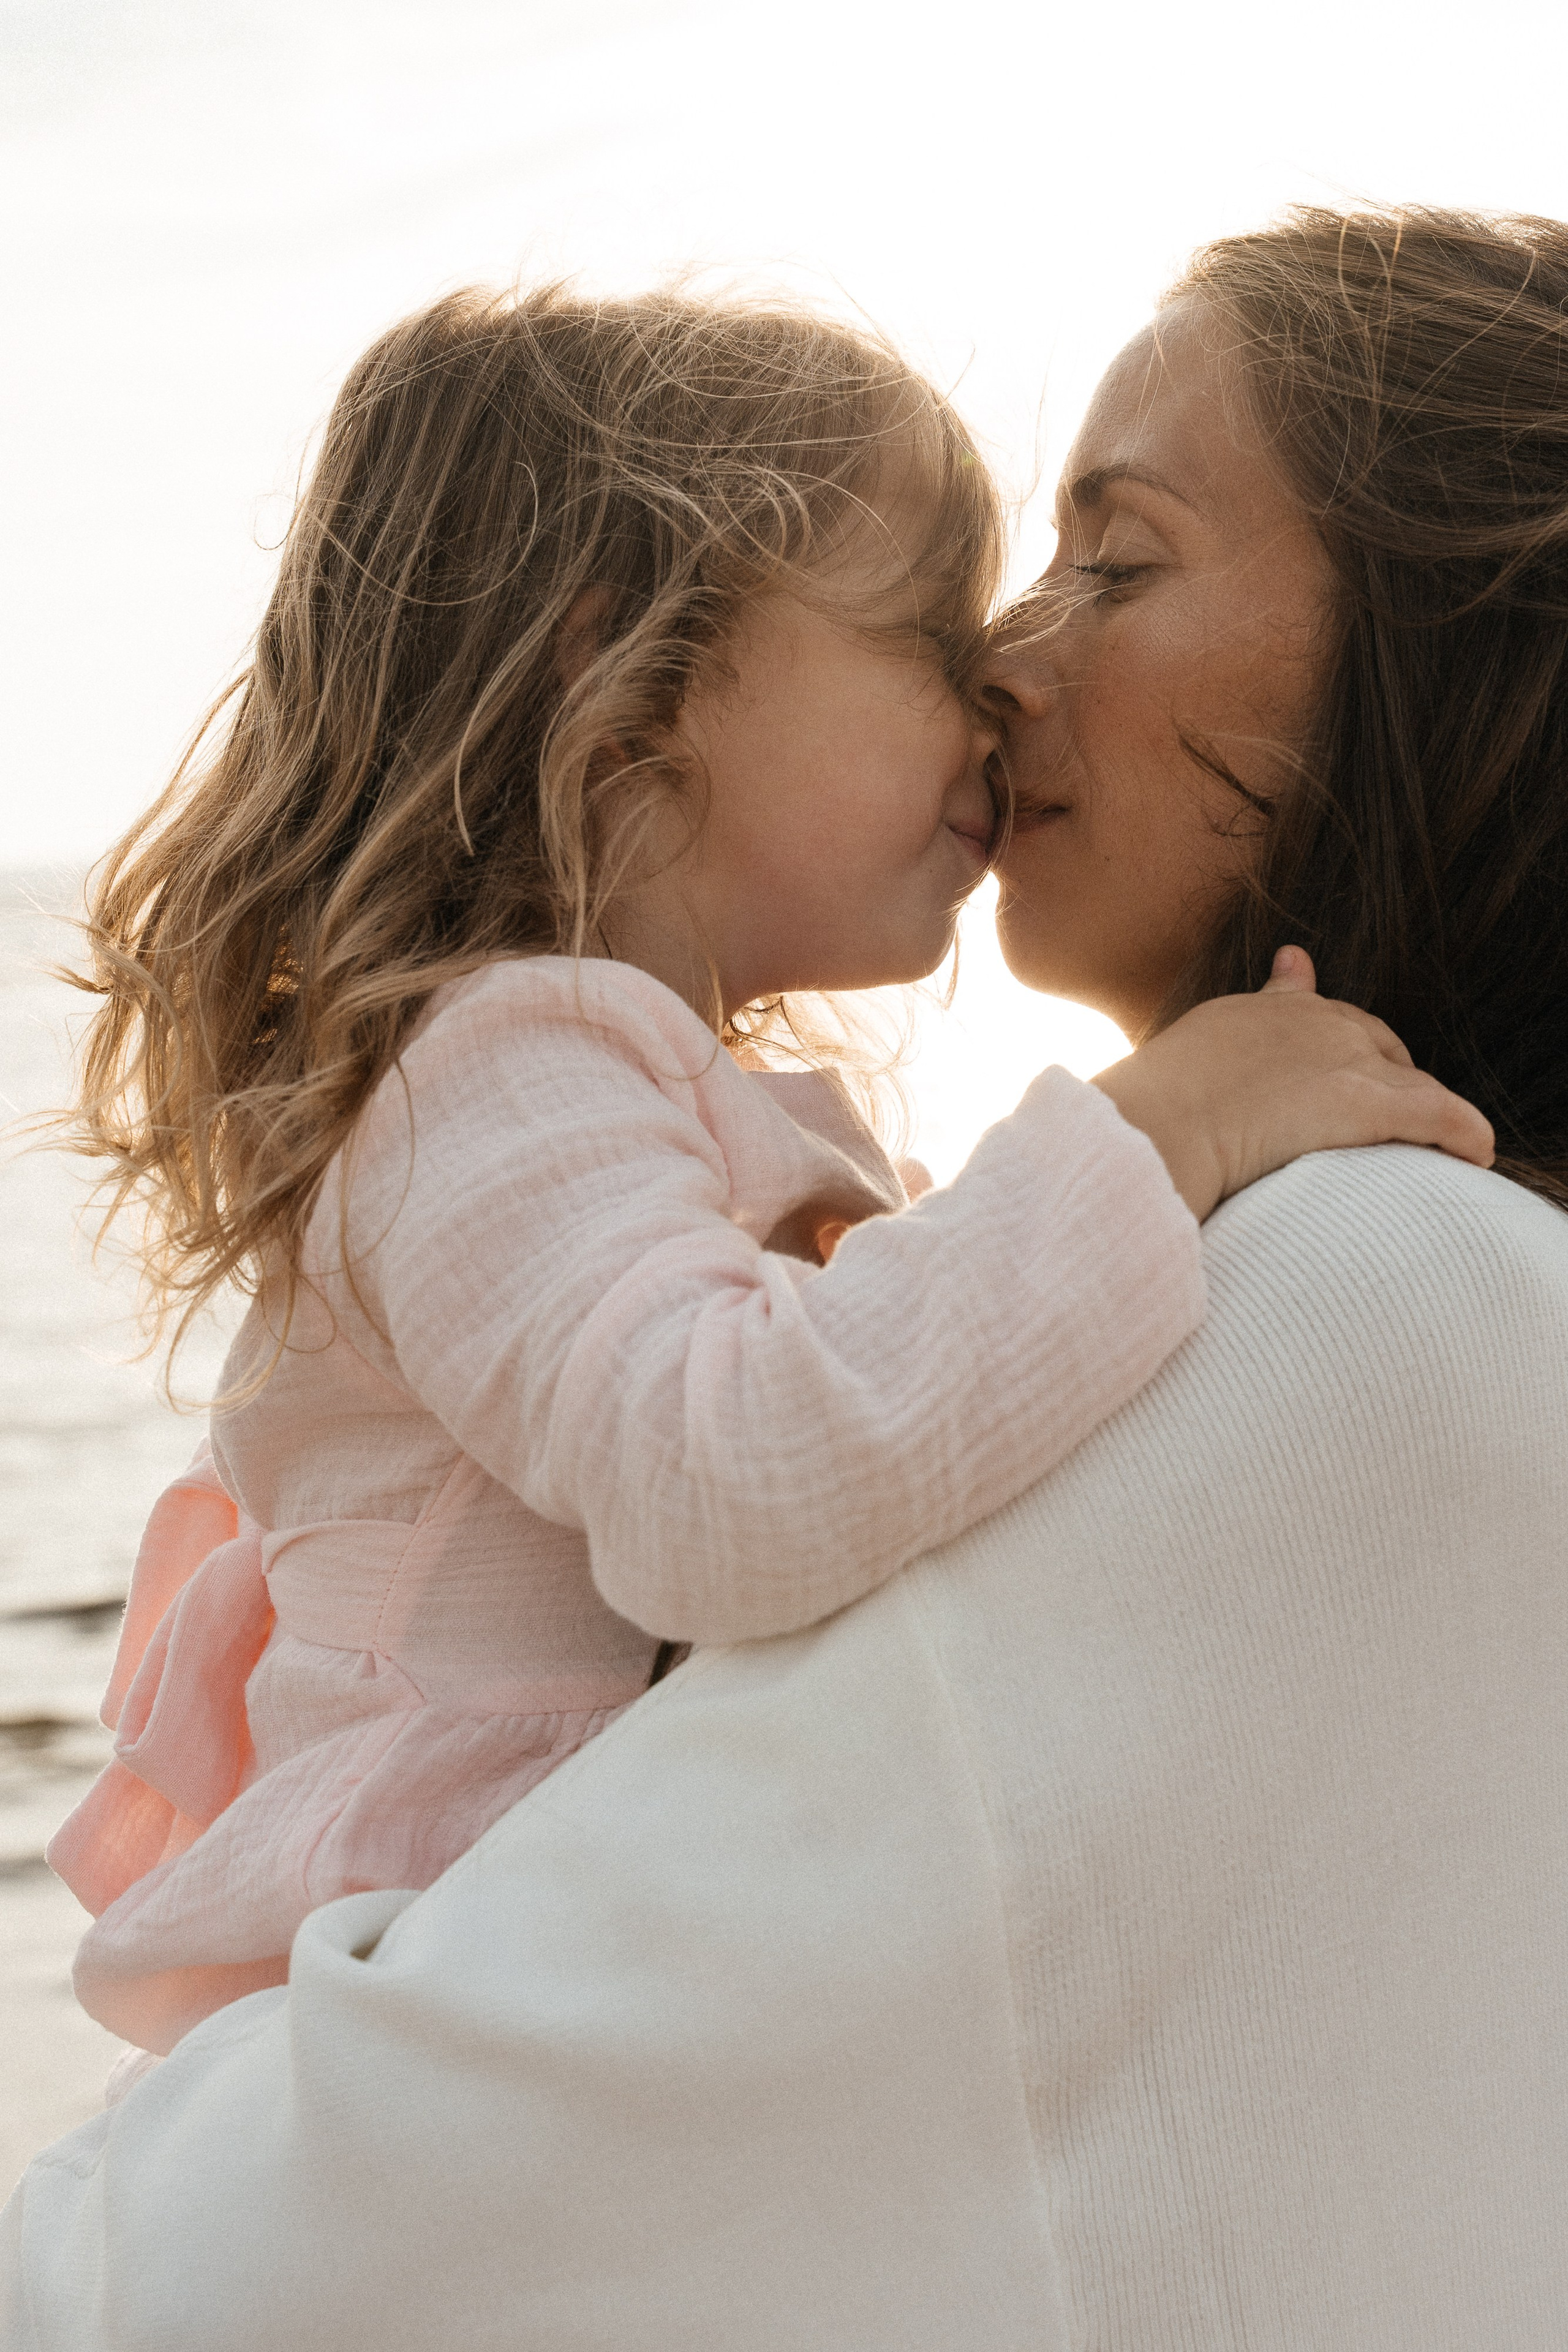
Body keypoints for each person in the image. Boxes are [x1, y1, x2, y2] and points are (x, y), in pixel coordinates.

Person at [7, 205, 1566, 2347]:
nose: (1000, 663)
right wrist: (1160, 1135)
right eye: (931, 619)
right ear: (629, 688)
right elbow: (741, 1484)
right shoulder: (516, 1072)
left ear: (1438, 649)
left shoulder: (1381, 1290)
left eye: (1114, 560)